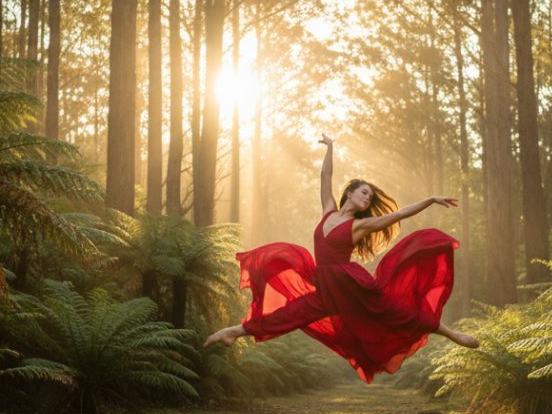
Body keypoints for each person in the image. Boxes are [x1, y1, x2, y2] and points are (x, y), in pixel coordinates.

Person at [204, 134, 478, 382]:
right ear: (350, 193)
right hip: (325, 288)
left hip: (351, 286)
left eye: (370, 198)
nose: (367, 199)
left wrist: (430, 199)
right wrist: (330, 148)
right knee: (290, 314)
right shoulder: (328, 211)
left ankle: (452, 334)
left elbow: (397, 215)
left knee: (397, 311)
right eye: (364, 193)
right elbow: (325, 177)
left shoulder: (360, 226)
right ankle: (233, 332)